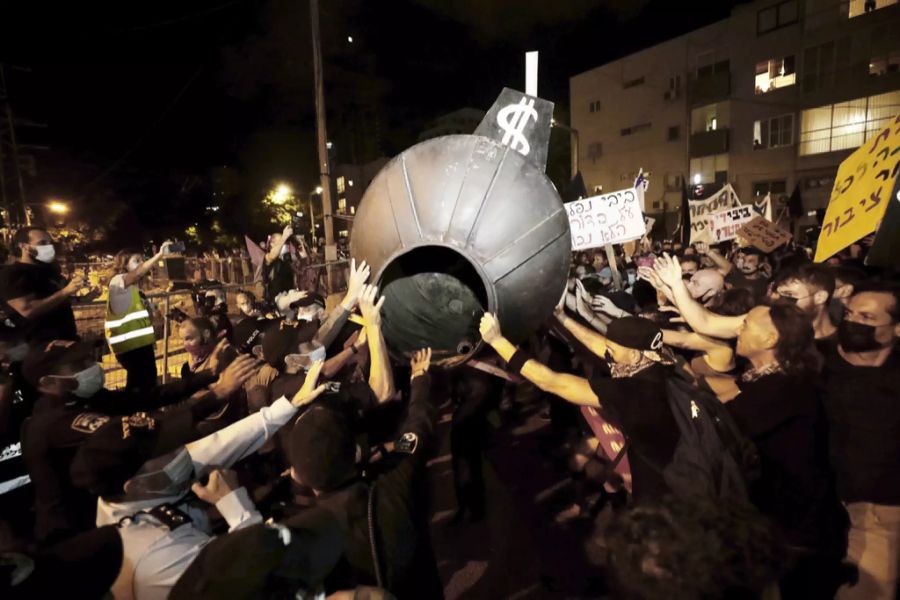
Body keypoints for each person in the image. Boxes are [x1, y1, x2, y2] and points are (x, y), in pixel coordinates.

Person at [652, 254, 849, 599]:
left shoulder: (786, 387)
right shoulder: (769, 375)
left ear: (770, 339)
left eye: (745, 326)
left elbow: (718, 421)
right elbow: (726, 391)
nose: (738, 329)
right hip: (781, 523)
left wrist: (679, 396)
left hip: (799, 531)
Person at [73, 361, 327, 600]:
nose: (184, 451)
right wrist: (236, 507)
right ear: (135, 485)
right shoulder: (155, 557)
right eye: (169, 450)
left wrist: (289, 405)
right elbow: (253, 577)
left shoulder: (151, 483)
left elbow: (223, 444)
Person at [19, 340, 241, 543]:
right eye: (78, 364)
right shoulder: (55, 423)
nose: (91, 365)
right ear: (48, 383)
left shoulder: (82, 399)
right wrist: (216, 395)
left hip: (105, 514)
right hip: (74, 535)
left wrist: (208, 374)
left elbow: (147, 397)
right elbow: (144, 430)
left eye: (89, 358)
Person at [284, 348, 442, 599]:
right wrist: (420, 380)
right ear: (354, 452)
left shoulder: (304, 539)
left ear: (297, 475)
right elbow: (415, 436)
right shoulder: (394, 484)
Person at [479, 309, 680, 503]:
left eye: (613, 351)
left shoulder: (632, 391)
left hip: (662, 487)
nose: (608, 355)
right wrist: (561, 316)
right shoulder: (664, 361)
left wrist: (498, 342)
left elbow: (552, 382)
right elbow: (602, 346)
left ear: (635, 356)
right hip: (670, 464)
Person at [819, 282, 900, 600]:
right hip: (823, 509)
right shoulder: (820, 358)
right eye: (850, 314)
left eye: (867, 318)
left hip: (881, 512)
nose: (854, 323)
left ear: (895, 328)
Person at [106, 244, 172, 391]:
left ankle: (137, 413)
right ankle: (138, 412)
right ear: (124, 265)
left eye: (142, 260)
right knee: (144, 387)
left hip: (140, 345)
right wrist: (159, 255)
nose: (141, 264)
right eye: (136, 260)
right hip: (130, 347)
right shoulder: (117, 281)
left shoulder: (135, 289)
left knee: (141, 385)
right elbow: (136, 273)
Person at [0, 227, 83, 343]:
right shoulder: (12, 274)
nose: (49, 247)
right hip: (35, 347)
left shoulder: (50, 271)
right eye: (42, 243)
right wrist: (65, 291)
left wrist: (83, 298)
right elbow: (27, 309)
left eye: (50, 243)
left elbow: (57, 300)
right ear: (23, 246)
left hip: (65, 342)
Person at [770, 262, 837, 345]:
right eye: (778, 294)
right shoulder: (774, 337)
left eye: (789, 295)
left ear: (820, 297)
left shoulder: (844, 346)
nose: (780, 301)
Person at [264, 225, 298, 302]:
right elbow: (272, 256)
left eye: (285, 242)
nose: (284, 245)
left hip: (289, 296)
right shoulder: (267, 257)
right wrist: (284, 236)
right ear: (272, 244)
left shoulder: (287, 258)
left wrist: (301, 243)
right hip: (276, 299)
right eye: (281, 242)